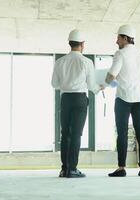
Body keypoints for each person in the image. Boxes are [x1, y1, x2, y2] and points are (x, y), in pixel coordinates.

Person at [52, 29, 103, 178]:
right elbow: (92, 85)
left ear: (70, 43)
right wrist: (100, 88)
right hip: (80, 99)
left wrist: (66, 84)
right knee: (76, 135)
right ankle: (73, 169)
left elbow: (54, 84)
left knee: (65, 133)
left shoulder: (59, 62)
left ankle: (64, 169)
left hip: (65, 99)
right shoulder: (87, 62)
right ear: (82, 44)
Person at [105, 24, 140, 177]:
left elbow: (111, 75)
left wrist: (109, 82)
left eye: (118, 37)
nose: (116, 41)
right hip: (139, 98)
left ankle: (121, 168)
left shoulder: (120, 54)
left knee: (122, 132)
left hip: (123, 98)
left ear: (125, 38)